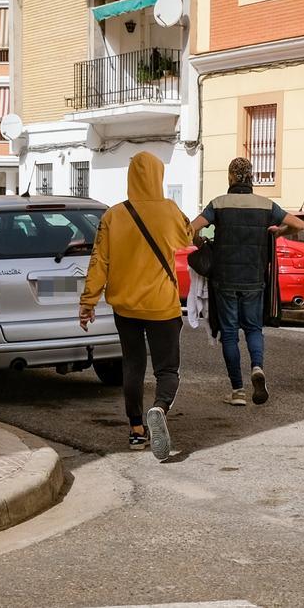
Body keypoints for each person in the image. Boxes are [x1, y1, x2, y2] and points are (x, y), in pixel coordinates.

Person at [80, 151, 191, 460]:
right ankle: (160, 407)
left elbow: (99, 262)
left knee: (133, 365)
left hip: (126, 306)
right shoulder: (169, 211)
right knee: (167, 368)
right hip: (162, 306)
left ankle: (136, 430)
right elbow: (186, 237)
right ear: (158, 177)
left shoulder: (113, 216)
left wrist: (88, 302)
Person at [191, 158, 304, 406]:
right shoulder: (265, 205)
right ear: (251, 177)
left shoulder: (219, 203)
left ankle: (238, 391)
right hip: (254, 278)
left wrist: (200, 242)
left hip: (225, 280)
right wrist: (278, 231)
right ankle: (257, 367)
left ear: (231, 177)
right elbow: (298, 224)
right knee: (254, 328)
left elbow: (192, 227)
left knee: (230, 333)